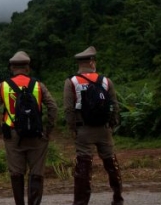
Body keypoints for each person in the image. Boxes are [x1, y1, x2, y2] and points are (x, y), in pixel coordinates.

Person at [0, 51, 58, 205]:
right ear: (28, 67)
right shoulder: (38, 85)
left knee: (16, 172)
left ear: (12, 67)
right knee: (36, 172)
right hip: (36, 135)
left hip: (13, 135)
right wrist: (48, 130)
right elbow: (53, 107)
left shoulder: (4, 86)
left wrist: (0, 130)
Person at [64, 46, 123, 205]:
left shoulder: (72, 81)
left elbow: (69, 109)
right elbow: (115, 105)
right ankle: (118, 198)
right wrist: (111, 125)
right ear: (92, 62)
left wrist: (73, 128)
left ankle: (81, 202)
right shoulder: (106, 81)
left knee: (83, 164)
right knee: (111, 163)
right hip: (104, 129)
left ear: (79, 64)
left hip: (83, 129)